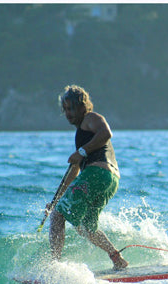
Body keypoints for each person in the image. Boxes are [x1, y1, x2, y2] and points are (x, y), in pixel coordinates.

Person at [47, 85, 129, 270]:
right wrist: (56, 200)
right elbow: (74, 171)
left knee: (58, 216)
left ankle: (53, 266)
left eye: (71, 108)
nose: (68, 114)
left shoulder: (90, 118)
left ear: (83, 106)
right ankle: (117, 259)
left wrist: (81, 152)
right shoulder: (82, 133)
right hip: (110, 180)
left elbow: (106, 133)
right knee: (86, 227)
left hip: (97, 173)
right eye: (65, 109)